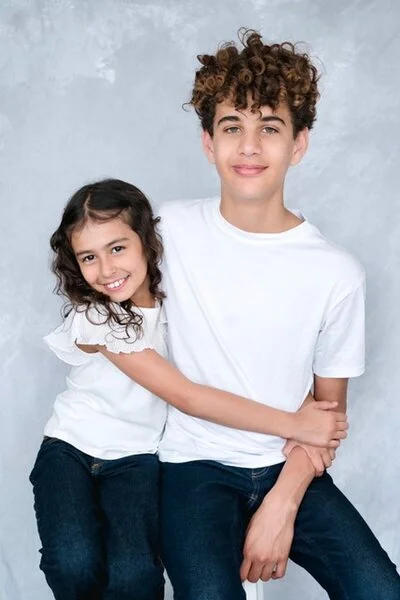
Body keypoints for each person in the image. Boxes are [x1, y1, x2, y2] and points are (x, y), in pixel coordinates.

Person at [157, 29, 400, 599]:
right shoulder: (166, 232)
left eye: (269, 127)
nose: (249, 147)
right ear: (207, 143)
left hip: (288, 467)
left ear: (299, 144)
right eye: (231, 127)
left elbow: (327, 415)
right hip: (192, 468)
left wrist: (280, 506)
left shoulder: (336, 272)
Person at [29, 178, 345, 600]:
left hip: (138, 460)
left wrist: (302, 401)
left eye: (117, 248)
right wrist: (296, 424)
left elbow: (233, 364)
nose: (106, 270)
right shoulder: (97, 317)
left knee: (137, 577)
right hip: (71, 449)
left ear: (146, 241)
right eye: (89, 257)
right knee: (74, 561)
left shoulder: (179, 309)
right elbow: (187, 396)